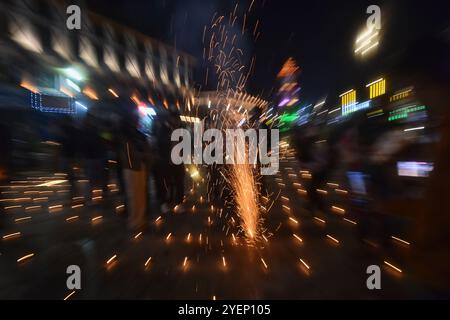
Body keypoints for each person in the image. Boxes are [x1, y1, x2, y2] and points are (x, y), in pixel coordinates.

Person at [118, 103, 149, 231]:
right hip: (134, 166)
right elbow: (128, 152)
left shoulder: (133, 134)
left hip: (134, 166)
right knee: (136, 194)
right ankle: (136, 220)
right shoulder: (130, 134)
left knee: (135, 194)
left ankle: (136, 220)